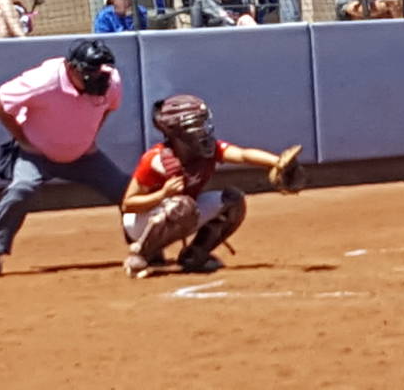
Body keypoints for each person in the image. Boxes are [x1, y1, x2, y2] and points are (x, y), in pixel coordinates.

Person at [0, 39, 130, 277]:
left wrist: (89, 137)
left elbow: (108, 108)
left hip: (84, 155)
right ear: (72, 68)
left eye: (100, 71)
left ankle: (145, 247)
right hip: (36, 154)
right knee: (21, 189)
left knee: (128, 192)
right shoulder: (44, 81)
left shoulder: (111, 82)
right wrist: (23, 139)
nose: (98, 78)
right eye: (90, 72)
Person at [120, 94, 305, 278]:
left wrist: (277, 162)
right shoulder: (155, 159)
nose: (202, 130)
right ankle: (140, 256)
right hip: (141, 222)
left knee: (233, 200)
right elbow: (128, 204)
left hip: (183, 211)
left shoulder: (208, 149)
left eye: (203, 123)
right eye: (195, 126)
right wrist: (163, 194)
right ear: (178, 130)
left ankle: (195, 255)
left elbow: (242, 155)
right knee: (182, 206)